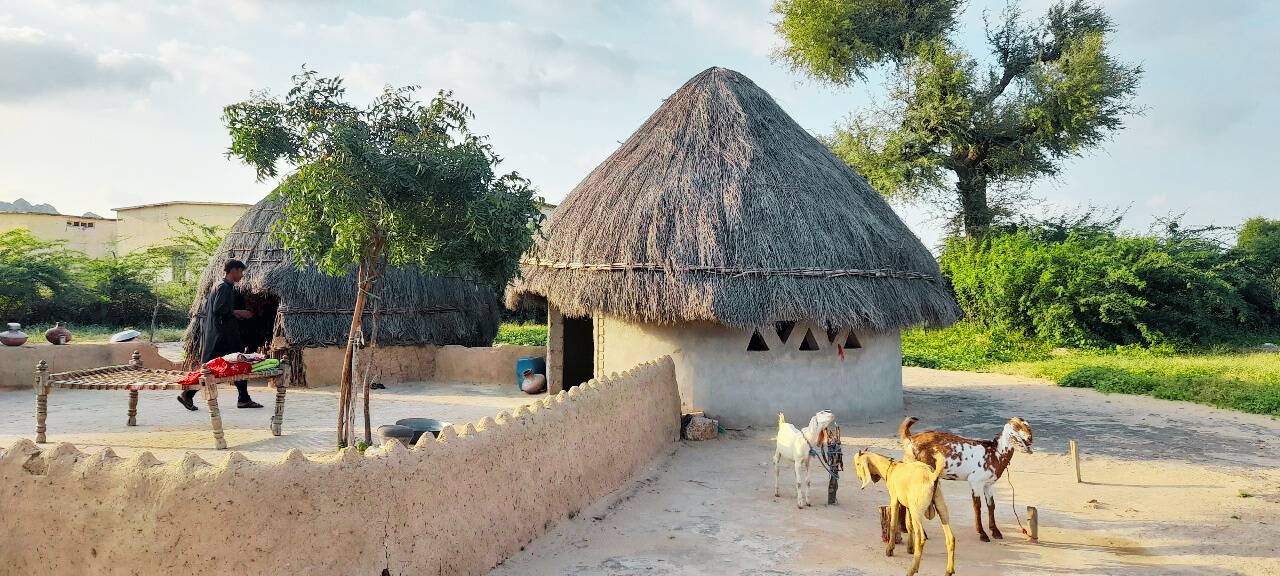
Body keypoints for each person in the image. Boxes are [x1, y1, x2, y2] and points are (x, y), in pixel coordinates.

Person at [178, 259, 263, 410]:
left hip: (221, 335)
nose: (242, 275)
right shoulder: (224, 287)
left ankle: (243, 398)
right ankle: (188, 394)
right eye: (241, 272)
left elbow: (221, 312)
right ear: (234, 271)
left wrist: (235, 314)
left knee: (232, 365)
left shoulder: (222, 286)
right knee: (214, 368)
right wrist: (239, 312)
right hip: (222, 337)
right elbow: (219, 310)